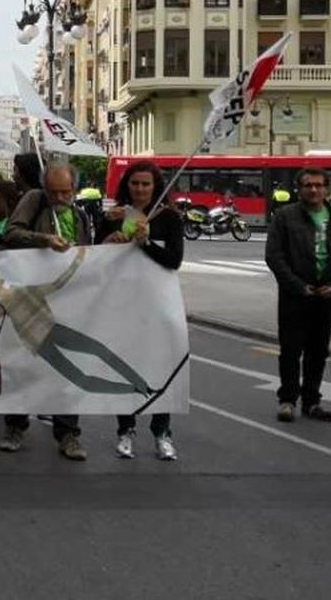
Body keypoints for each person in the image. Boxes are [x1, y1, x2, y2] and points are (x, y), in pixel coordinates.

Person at [1, 161, 96, 461]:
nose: (59, 198)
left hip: (68, 301)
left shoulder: (80, 216)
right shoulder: (33, 201)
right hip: (31, 299)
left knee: (65, 369)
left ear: (74, 189)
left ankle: (68, 433)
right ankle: (16, 426)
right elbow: (11, 233)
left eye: (65, 192)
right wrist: (43, 240)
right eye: (53, 192)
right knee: (25, 363)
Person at [98, 160, 184, 461]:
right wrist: (110, 240)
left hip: (159, 303)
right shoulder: (113, 216)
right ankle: (125, 431)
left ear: (155, 186)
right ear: (127, 186)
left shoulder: (169, 218)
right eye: (135, 183)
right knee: (125, 368)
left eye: (146, 184)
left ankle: (162, 433)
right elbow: (96, 257)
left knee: (162, 367)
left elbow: (174, 260)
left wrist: (145, 243)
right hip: (123, 303)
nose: (140, 189)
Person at [264, 167, 331, 424]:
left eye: (319, 185)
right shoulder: (285, 217)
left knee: (318, 350)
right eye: (308, 185)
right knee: (290, 349)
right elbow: (274, 256)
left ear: (326, 189)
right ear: (299, 189)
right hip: (295, 294)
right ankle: (287, 399)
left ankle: (312, 401)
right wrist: (297, 285)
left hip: (325, 295)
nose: (313, 189)